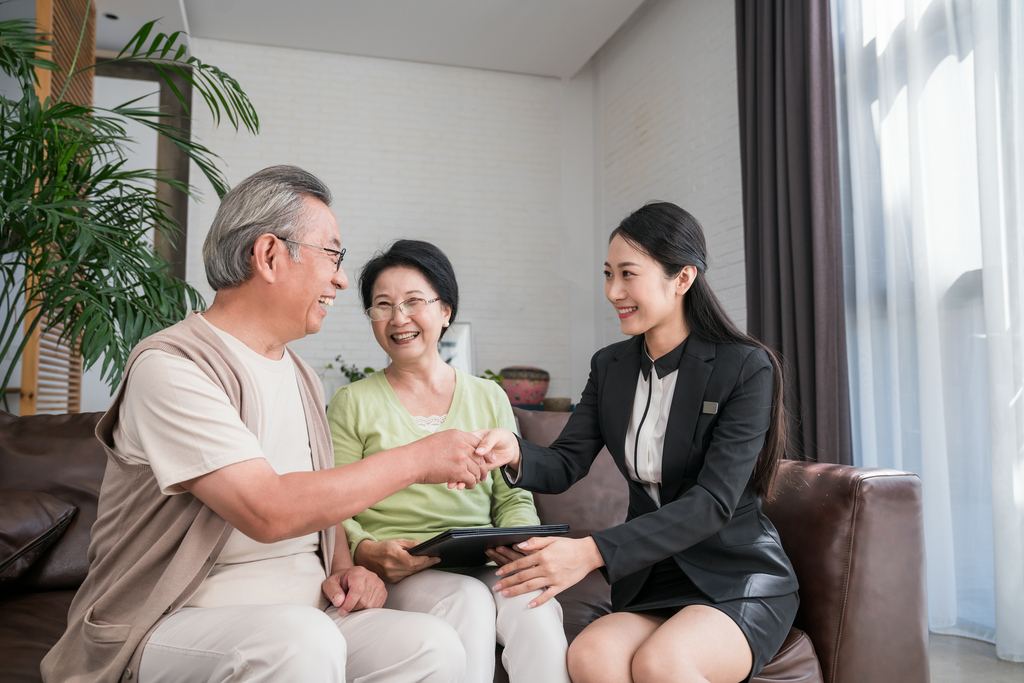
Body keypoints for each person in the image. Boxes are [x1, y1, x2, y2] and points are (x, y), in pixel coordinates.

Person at [42, 167, 497, 683]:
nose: (342, 280)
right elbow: (268, 510)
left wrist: (345, 567)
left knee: (432, 646)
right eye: (333, 254)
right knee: (301, 640)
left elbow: (319, 502)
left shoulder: (301, 374)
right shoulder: (172, 367)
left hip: (305, 618)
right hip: (172, 623)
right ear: (269, 256)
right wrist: (419, 458)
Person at [474, 202, 800, 683]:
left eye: (628, 274)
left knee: (661, 663)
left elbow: (713, 503)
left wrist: (592, 552)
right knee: (589, 657)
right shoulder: (610, 367)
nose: (612, 292)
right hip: (652, 576)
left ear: (683, 278)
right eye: (608, 274)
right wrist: (515, 451)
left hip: (735, 574)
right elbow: (565, 462)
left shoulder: (745, 367)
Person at [327, 239, 571, 683]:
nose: (398, 318)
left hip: (482, 561)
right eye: (383, 305)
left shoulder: (488, 396)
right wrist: (366, 551)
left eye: (414, 302)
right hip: (403, 571)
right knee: (467, 600)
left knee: (534, 604)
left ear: (446, 311)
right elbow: (332, 504)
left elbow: (511, 496)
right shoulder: (351, 403)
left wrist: (518, 541)